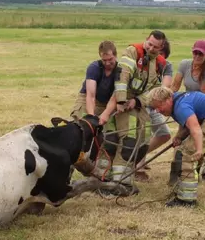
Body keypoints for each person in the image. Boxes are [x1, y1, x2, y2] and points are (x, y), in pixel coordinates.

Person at [98, 30, 167, 193]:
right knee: (127, 140)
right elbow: (123, 76)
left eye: (155, 47)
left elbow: (154, 90)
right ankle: (114, 182)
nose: (151, 48)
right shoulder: (132, 52)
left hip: (138, 104)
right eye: (149, 44)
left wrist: (136, 101)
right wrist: (122, 100)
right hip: (122, 101)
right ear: (146, 41)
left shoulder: (159, 64)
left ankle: (123, 180)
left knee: (142, 142)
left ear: (161, 48)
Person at [148, 86, 205, 207]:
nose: (158, 111)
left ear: (167, 99)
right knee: (182, 149)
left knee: (187, 152)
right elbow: (186, 123)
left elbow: (195, 128)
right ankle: (180, 187)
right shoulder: (177, 101)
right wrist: (179, 137)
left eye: (159, 106)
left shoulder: (181, 106)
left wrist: (198, 149)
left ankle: (187, 200)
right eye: (155, 108)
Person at [168, 39, 205, 184]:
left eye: (201, 54)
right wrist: (167, 101)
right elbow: (175, 86)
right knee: (179, 140)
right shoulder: (184, 64)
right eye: (195, 52)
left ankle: (195, 173)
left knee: (197, 140)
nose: (197, 56)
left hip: (202, 108)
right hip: (186, 103)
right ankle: (174, 175)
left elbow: (204, 96)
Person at [70, 40, 117, 179]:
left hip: (108, 101)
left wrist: (106, 114)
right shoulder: (94, 67)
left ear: (115, 55)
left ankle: (102, 171)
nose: (107, 63)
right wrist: (91, 120)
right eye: (104, 60)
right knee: (79, 131)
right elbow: (90, 95)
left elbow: (115, 98)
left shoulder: (121, 70)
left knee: (110, 136)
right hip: (89, 98)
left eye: (110, 59)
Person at [135, 39, 174, 182]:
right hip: (140, 104)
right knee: (142, 135)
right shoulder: (142, 63)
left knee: (164, 134)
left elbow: (165, 88)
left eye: (161, 53)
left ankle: (138, 159)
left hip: (155, 106)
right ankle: (137, 167)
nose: (157, 55)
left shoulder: (167, 66)